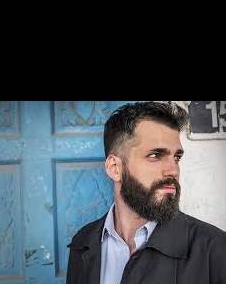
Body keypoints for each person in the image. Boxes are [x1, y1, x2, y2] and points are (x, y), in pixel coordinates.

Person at [66, 101, 226, 284]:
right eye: (155, 155)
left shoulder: (215, 249)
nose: (173, 170)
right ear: (115, 168)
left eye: (176, 157)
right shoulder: (82, 243)